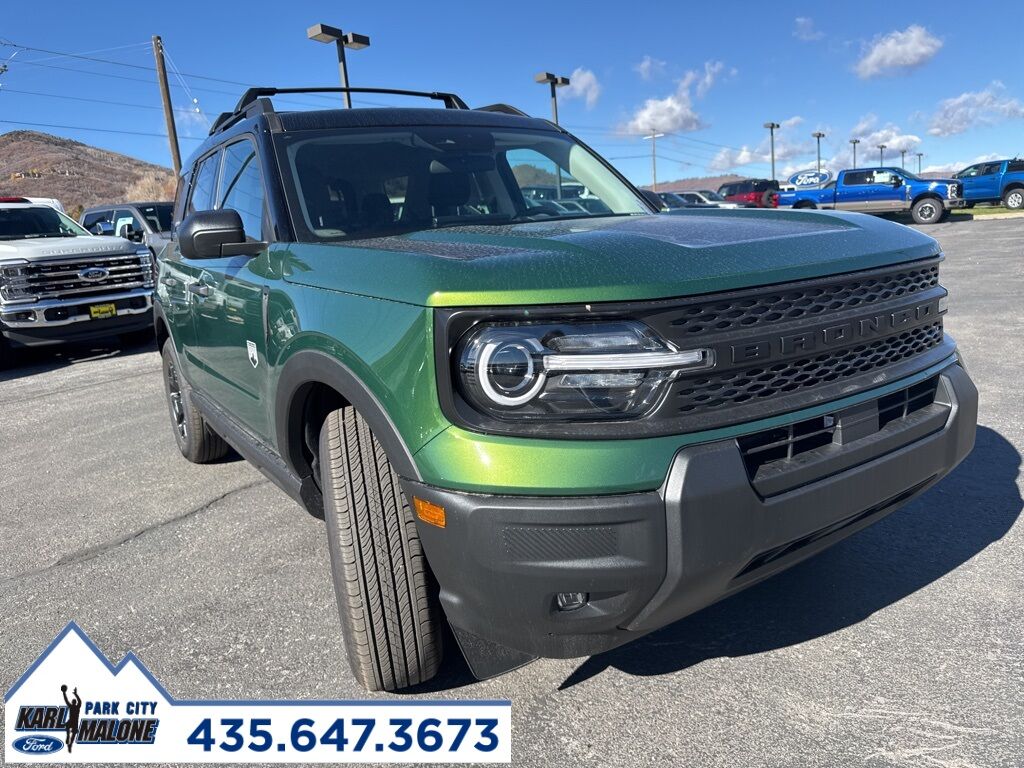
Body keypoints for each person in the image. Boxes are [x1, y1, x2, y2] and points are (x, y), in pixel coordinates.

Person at [61, 684, 81, 753]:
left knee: (72, 733)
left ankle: (70, 744)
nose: (73, 701)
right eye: (73, 701)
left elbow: (79, 701)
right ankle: (68, 737)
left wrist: (75, 694)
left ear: (74, 702)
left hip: (74, 722)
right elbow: (66, 700)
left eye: (74, 701)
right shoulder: (74, 706)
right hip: (73, 721)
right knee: (68, 727)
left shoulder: (76, 706)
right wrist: (64, 693)